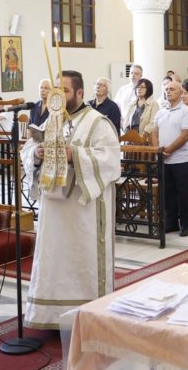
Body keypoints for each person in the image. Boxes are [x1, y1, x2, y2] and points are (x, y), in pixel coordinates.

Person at [21, 71, 121, 327]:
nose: (58, 96)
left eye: (63, 91)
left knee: (79, 260)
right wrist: (38, 152)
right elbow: (28, 149)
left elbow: (111, 161)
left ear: (79, 93)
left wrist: (73, 154)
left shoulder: (98, 123)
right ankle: (49, 314)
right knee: (53, 259)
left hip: (82, 213)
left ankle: (87, 314)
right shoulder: (51, 121)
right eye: (55, 90)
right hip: (53, 210)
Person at [151, 79, 188, 237]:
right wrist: (159, 150)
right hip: (164, 159)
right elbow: (154, 132)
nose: (168, 91)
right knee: (167, 192)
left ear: (180, 92)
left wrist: (169, 149)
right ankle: (170, 223)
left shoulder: (186, 111)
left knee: (183, 193)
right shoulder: (161, 111)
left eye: (172, 89)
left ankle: (185, 224)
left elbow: (185, 135)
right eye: (167, 89)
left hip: (181, 159)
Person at [114, 64, 143, 132]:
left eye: (136, 73)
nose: (133, 75)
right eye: (131, 73)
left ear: (141, 76)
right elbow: (116, 106)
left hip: (137, 126)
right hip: (122, 124)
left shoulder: (143, 90)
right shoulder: (122, 89)